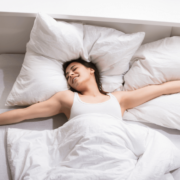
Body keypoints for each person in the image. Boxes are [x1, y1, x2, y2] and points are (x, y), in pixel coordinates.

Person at [0, 57, 180, 125]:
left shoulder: (119, 98)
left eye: (74, 68)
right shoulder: (67, 98)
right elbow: (23, 114)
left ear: (91, 70)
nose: (70, 74)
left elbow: (161, 89)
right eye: (67, 74)